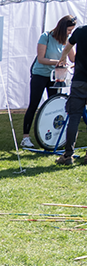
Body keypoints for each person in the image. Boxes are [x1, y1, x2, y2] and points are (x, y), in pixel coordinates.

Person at [21, 15, 77, 148]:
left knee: (54, 106)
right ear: (63, 28)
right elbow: (41, 59)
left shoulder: (67, 40)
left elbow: (73, 58)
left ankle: (51, 136)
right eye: (69, 30)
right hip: (40, 75)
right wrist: (60, 62)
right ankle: (25, 138)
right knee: (34, 104)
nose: (70, 33)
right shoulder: (45, 36)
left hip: (55, 76)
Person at [56, 22, 87, 166]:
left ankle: (68, 155)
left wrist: (62, 59)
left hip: (80, 81)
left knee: (74, 118)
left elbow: (68, 47)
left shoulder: (80, 31)